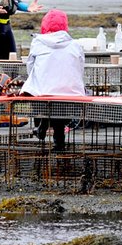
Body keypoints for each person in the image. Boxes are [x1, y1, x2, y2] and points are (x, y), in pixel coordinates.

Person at [21, 9, 85, 151]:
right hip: (72, 93)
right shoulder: (75, 45)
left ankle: (43, 127)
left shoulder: (38, 42)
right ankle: (58, 142)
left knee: (44, 93)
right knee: (60, 99)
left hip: (44, 93)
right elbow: (80, 69)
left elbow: (30, 68)